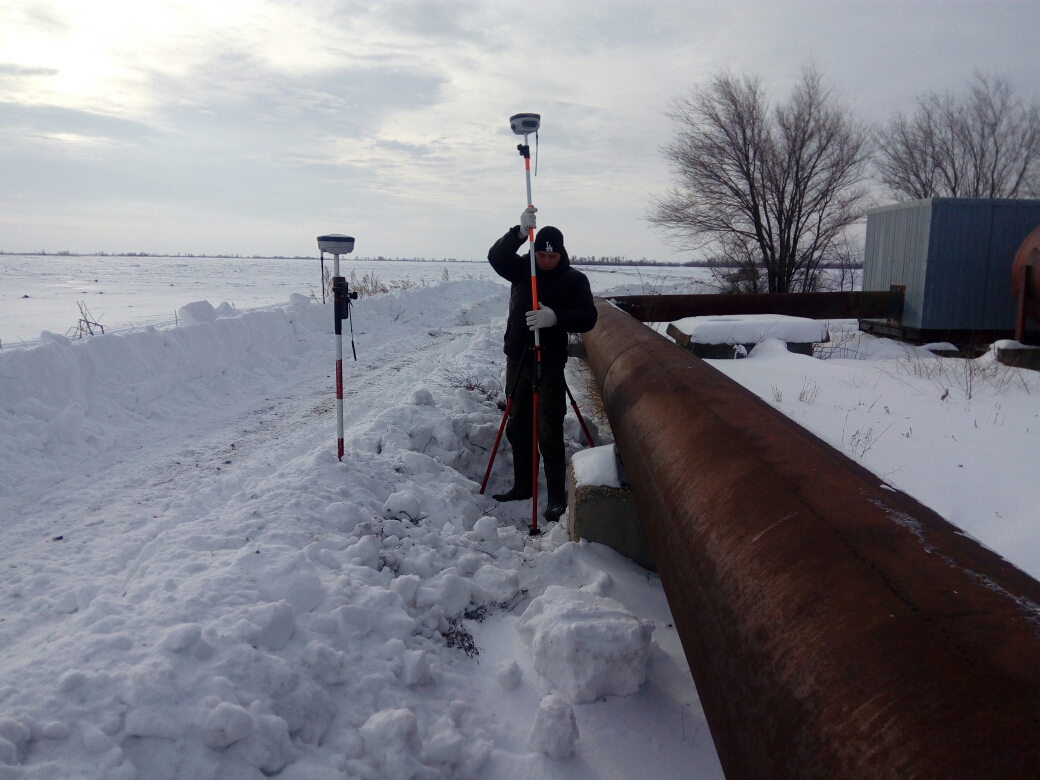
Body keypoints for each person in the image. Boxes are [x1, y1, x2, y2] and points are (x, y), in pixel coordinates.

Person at [487, 207, 598, 524]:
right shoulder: (523, 270)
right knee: (518, 421)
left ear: (561, 255)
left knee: (548, 424)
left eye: (553, 256)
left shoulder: (575, 280)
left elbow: (588, 317)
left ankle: (556, 498)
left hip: (548, 360)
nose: (547, 261)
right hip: (518, 357)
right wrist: (518, 233)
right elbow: (496, 257)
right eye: (542, 255)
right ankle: (523, 486)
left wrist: (556, 317)